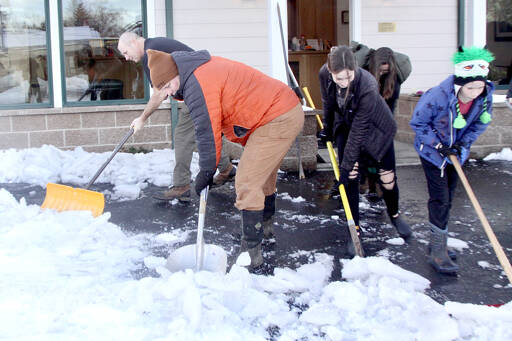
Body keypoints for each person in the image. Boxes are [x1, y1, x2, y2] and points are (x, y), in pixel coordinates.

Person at [130, 49, 304, 271]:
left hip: (278, 116)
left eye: (167, 86)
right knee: (262, 176)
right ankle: (262, 231)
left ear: (176, 75)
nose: (168, 94)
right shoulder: (192, 73)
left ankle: (251, 254)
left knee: (247, 181)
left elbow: (206, 133)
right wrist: (208, 169)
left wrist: (205, 172)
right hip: (278, 110)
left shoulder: (197, 84)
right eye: (162, 90)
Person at [117, 32, 236, 202]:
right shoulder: (154, 47)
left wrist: (142, 118)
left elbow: (160, 94)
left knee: (182, 135)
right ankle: (226, 169)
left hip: (201, 87)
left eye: (125, 52)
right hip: (204, 86)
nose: (126, 58)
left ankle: (181, 186)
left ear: (134, 42)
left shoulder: (152, 52)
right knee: (201, 131)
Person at [319, 45, 412, 253]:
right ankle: (355, 229)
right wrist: (327, 128)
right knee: (350, 177)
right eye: (339, 78)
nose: (344, 82)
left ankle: (395, 215)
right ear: (330, 71)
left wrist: (345, 165)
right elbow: (328, 102)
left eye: (348, 77)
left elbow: (360, 130)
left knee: (387, 179)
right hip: (346, 125)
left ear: (355, 68)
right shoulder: (325, 74)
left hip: (377, 129)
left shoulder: (367, 84)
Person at [410, 46, 495, 274]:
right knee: (440, 198)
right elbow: (417, 124)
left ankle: (438, 242)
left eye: (480, 86)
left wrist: (462, 144)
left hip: (456, 154)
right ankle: (438, 251)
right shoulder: (437, 96)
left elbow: (480, 124)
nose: (476, 92)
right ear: (460, 83)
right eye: (471, 87)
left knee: (448, 197)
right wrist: (438, 145)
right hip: (432, 154)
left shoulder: (484, 96)